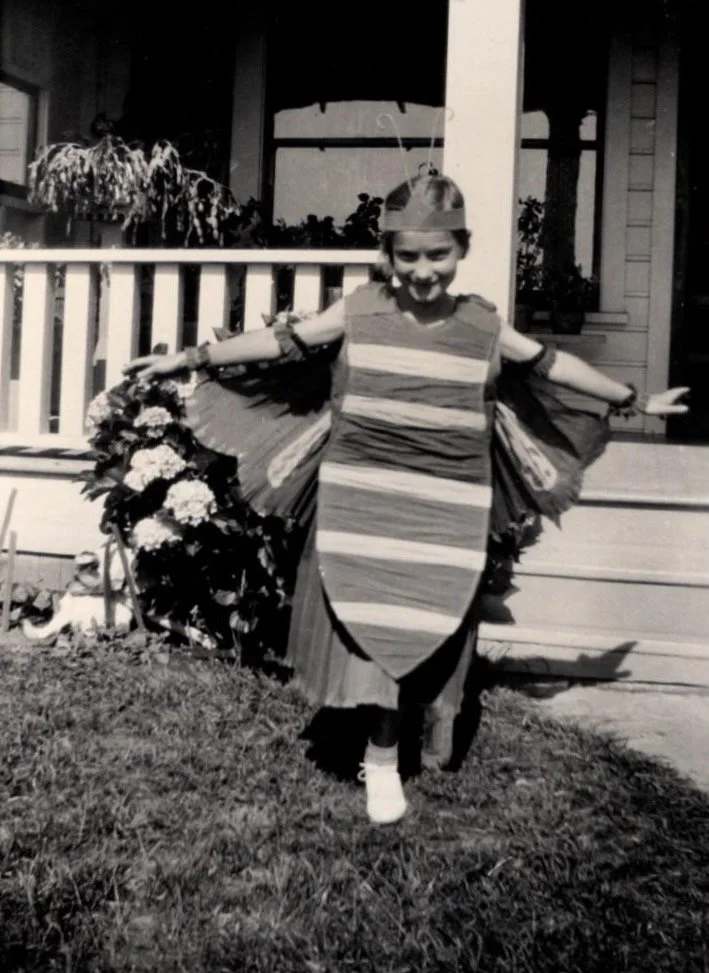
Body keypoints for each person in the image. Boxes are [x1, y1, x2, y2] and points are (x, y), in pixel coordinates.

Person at [125, 173, 688, 826]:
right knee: (377, 620)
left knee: (438, 611)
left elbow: (550, 365)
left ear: (459, 251)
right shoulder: (359, 309)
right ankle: (382, 756)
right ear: (387, 257)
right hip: (366, 495)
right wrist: (190, 356)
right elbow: (285, 340)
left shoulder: (481, 324)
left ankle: (431, 723)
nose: (423, 269)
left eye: (438, 253)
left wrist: (632, 398)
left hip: (445, 498)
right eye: (408, 255)